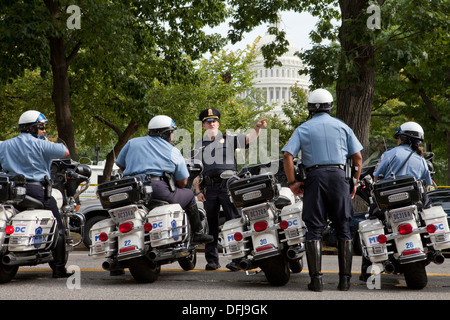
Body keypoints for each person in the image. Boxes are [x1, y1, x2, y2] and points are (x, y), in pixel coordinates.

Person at [282, 89, 363, 291]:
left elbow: (288, 156)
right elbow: (358, 158)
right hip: (339, 178)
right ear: (330, 106)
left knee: (314, 230)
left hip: (315, 178)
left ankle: (316, 281)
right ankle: (344, 281)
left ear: (310, 107)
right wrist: (353, 182)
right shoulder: (343, 127)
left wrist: (292, 183)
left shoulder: (303, 128)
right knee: (344, 228)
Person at [115, 115, 213, 244]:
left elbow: (120, 164)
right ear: (165, 134)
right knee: (188, 195)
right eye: (171, 133)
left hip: (131, 190)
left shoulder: (132, 142)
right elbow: (183, 182)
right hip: (157, 190)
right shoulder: (172, 150)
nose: (172, 136)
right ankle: (197, 234)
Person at [193, 108, 267, 271]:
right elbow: (196, 170)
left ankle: (238, 258)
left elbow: (249, 139)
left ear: (218, 123)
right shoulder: (199, 144)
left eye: (214, 121)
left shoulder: (229, 139)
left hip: (227, 187)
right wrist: (198, 191)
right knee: (210, 225)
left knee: (234, 221)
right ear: (204, 126)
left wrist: (257, 128)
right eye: (207, 121)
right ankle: (212, 260)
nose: (211, 123)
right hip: (210, 189)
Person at [0, 110, 71, 278]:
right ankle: (59, 268)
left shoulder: (4, 145)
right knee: (58, 225)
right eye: (42, 128)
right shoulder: (40, 144)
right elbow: (65, 152)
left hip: (8, 191)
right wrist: (46, 141)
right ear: (32, 129)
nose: (44, 131)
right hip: (35, 190)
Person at [360, 121, 434, 280]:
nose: (397, 141)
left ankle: (367, 269)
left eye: (399, 137)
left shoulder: (389, 154)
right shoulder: (421, 160)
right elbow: (427, 186)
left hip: (388, 205)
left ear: (403, 138)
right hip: (413, 205)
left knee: (370, 221)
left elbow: (376, 178)